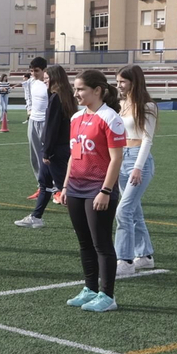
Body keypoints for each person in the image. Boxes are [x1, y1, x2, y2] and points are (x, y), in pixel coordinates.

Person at [64, 70, 126, 312]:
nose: (76, 93)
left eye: (81, 89)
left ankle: (107, 296)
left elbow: (116, 159)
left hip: (98, 189)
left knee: (101, 243)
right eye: (76, 89)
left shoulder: (111, 118)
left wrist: (106, 190)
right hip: (77, 188)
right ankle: (89, 289)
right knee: (84, 243)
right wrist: (66, 186)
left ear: (97, 90)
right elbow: (73, 155)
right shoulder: (75, 118)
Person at [16, 64, 75, 228]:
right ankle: (36, 216)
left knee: (65, 187)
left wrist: (47, 152)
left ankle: (86, 219)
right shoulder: (65, 96)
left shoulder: (57, 98)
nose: (45, 81)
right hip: (58, 147)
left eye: (48, 79)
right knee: (45, 184)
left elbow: (52, 127)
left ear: (55, 79)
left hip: (55, 149)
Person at [115, 65, 158, 277]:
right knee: (134, 210)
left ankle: (125, 260)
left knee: (124, 211)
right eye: (118, 81)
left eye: (123, 81)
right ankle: (145, 256)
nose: (119, 85)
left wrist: (138, 168)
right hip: (121, 159)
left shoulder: (147, 106)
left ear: (134, 81)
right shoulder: (121, 104)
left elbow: (147, 139)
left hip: (137, 161)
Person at [24, 57, 50, 199]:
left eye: (37, 71)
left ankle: (56, 187)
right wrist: (29, 109)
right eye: (32, 71)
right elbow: (28, 97)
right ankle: (41, 186)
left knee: (49, 155)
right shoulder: (29, 83)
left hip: (47, 122)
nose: (33, 73)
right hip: (33, 121)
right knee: (35, 156)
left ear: (44, 70)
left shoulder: (50, 83)